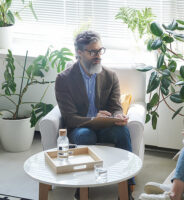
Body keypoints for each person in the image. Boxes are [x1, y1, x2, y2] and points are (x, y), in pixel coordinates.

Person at [55, 30, 134, 199]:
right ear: (79, 53)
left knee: (123, 131)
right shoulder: (64, 79)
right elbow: (70, 118)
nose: (98, 55)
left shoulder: (110, 76)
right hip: (80, 127)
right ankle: (82, 188)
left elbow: (115, 106)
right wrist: (93, 119)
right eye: (92, 52)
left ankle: (126, 188)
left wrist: (118, 116)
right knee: (85, 135)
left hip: (104, 126)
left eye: (100, 50)